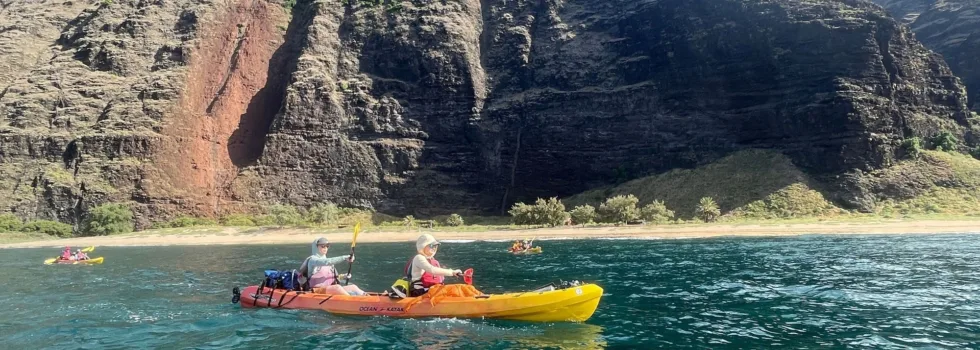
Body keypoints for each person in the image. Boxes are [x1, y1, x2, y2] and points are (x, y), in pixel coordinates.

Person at [298, 237, 365, 296]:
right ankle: (353, 301)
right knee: (337, 287)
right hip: (315, 290)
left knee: (353, 287)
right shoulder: (313, 260)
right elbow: (326, 262)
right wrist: (344, 258)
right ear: (316, 247)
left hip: (329, 289)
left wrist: (344, 276)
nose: (325, 248)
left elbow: (332, 277)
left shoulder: (329, 263)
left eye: (327, 246)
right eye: (322, 246)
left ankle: (368, 299)